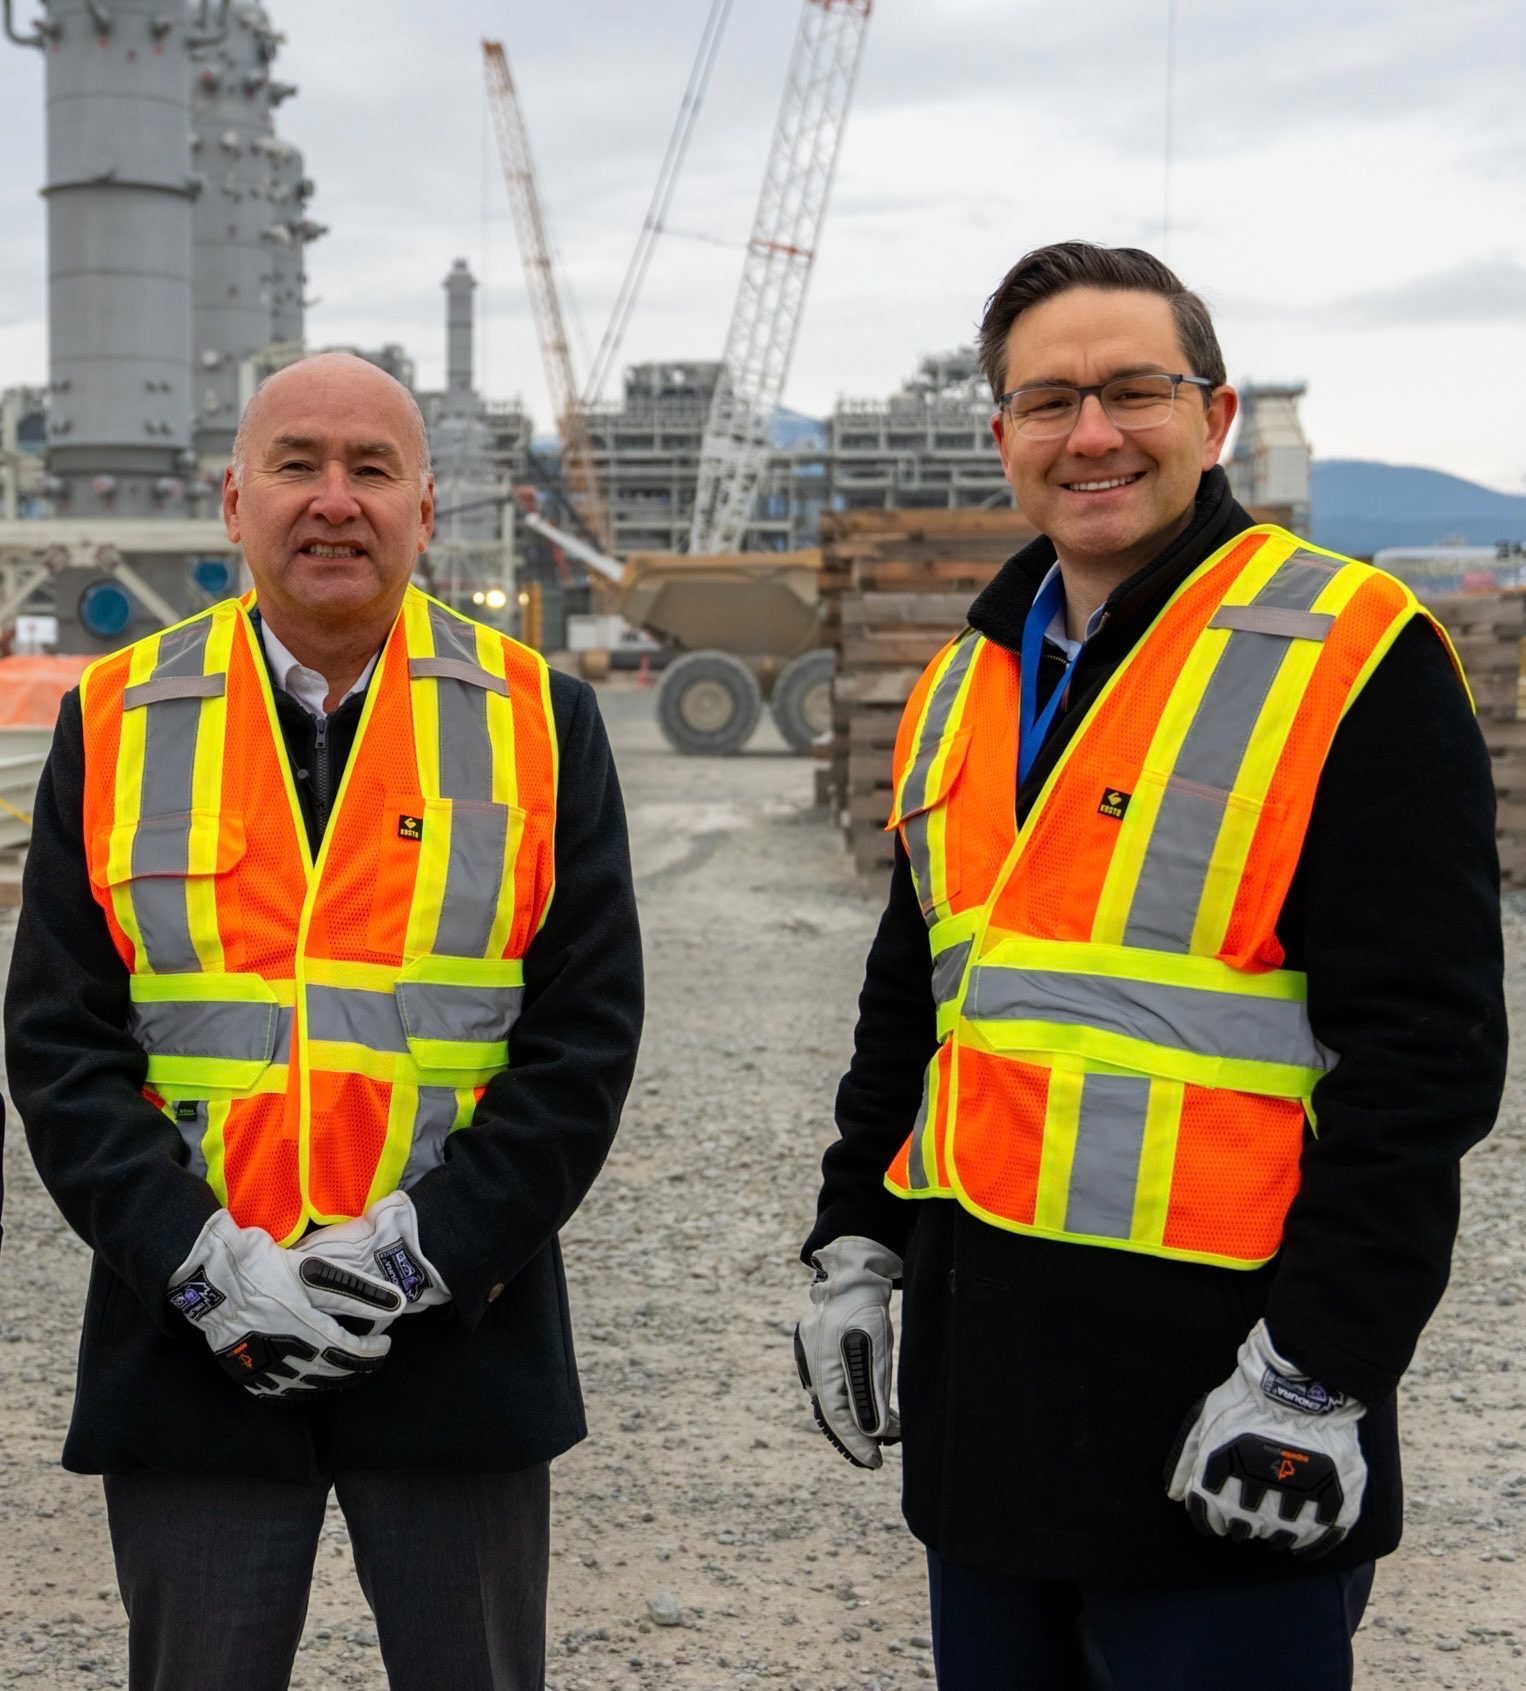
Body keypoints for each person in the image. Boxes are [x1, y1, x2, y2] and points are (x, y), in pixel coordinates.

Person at [794, 242, 1505, 1691]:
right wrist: (853, 1243)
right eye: (1047, 400)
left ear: (1214, 414)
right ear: (999, 434)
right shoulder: (966, 679)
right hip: (988, 1397)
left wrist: (1320, 1376)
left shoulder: (1348, 658)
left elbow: (1422, 1067)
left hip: (1226, 1406)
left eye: (1134, 390)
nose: (1092, 433)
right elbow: (916, 1003)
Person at [4, 351, 642, 1691]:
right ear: (235, 502)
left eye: (370, 469)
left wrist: (419, 1257)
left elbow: (580, 1044)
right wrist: (199, 1268)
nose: (333, 500)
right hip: (195, 1344)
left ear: (426, 507)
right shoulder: (116, 720)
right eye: (298, 464)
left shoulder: (542, 719)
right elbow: (60, 1046)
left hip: (456, 1334)